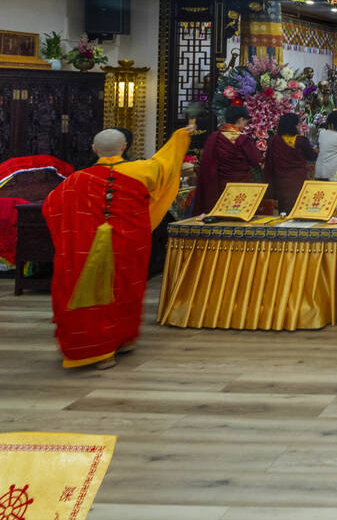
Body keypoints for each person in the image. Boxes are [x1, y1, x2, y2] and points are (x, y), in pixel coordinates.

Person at [42, 125, 193, 369]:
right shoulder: (143, 170)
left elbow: (51, 208)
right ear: (124, 147)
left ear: (94, 149)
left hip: (85, 247)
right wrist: (180, 136)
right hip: (127, 245)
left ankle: (97, 350)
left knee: (91, 294)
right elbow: (166, 163)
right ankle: (122, 340)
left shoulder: (76, 180)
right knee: (124, 290)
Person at [194, 106, 261, 214]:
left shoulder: (214, 137)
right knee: (239, 215)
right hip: (239, 187)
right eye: (245, 121)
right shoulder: (242, 139)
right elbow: (256, 159)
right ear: (240, 119)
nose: (245, 124)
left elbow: (207, 163)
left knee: (221, 214)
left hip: (218, 186)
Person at [263, 113, 317, 214]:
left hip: (281, 181)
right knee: (299, 208)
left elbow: (269, 164)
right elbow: (312, 156)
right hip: (298, 180)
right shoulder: (301, 141)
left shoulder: (274, 140)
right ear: (294, 126)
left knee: (284, 210)